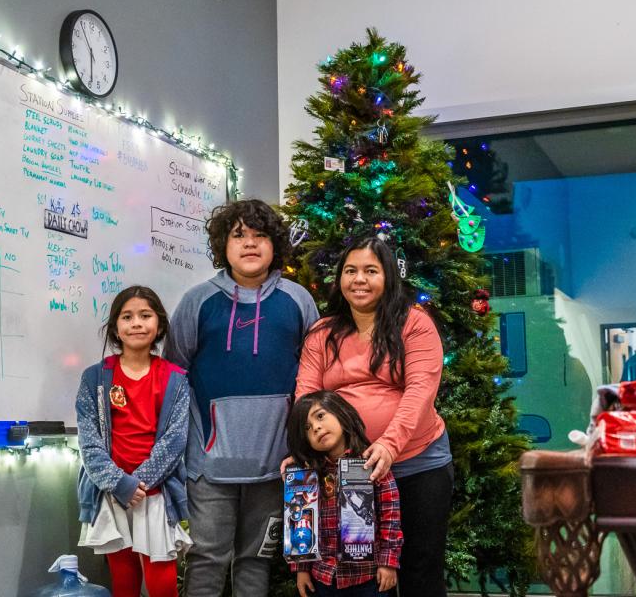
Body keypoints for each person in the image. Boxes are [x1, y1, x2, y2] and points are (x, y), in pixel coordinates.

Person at [164, 199, 319, 597]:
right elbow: (174, 378)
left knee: (256, 561)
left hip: (274, 467)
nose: (250, 244)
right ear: (223, 245)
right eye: (239, 235)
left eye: (260, 235)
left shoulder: (298, 301)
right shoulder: (197, 302)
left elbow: (315, 376)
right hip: (209, 467)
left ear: (275, 245)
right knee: (206, 559)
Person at [294, 236, 452, 597]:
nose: (359, 280)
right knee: (361, 576)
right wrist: (304, 449)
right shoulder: (322, 332)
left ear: (388, 278)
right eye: (350, 271)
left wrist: (389, 445)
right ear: (340, 279)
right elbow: (306, 394)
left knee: (420, 568)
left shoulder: (414, 323)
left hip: (418, 463)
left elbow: (420, 392)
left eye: (370, 271)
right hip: (348, 472)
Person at [76, 285, 192, 597]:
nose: (136, 323)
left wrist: (138, 484)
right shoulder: (94, 378)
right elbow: (88, 443)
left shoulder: (175, 378)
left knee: (162, 581)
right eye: (127, 317)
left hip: (155, 494)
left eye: (145, 315)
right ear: (115, 326)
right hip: (111, 494)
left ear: (159, 324)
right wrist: (119, 484)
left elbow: (175, 440)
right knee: (123, 578)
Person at [287, 390, 403, 597]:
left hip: (368, 577)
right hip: (323, 578)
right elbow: (301, 525)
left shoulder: (372, 465)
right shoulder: (305, 477)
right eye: (307, 428)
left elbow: (390, 517)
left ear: (340, 413)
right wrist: (301, 570)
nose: (316, 427)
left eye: (320, 416)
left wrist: (388, 562)